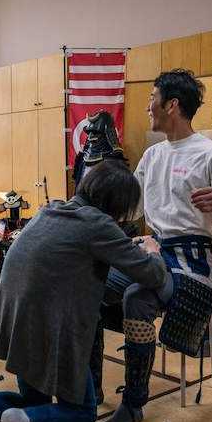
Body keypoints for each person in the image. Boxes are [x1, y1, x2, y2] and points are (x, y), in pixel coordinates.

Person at [0, 160, 166, 422]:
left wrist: (122, 245)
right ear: (116, 204)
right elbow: (152, 275)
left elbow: (75, 250)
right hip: (50, 327)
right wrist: (153, 249)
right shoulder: (99, 225)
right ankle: (23, 421)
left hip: (14, 318)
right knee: (82, 414)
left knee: (35, 398)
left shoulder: (53, 209)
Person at [96, 69, 212, 422]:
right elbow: (130, 210)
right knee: (92, 286)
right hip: (152, 250)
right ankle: (88, 389)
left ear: (172, 104)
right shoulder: (152, 155)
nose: (147, 105)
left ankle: (133, 404)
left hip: (193, 263)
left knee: (137, 297)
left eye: (152, 97)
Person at [71, 109, 134, 405]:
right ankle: (83, 381)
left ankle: (92, 384)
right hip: (82, 232)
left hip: (110, 232)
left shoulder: (116, 163)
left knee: (91, 299)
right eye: (89, 133)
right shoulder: (83, 158)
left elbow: (125, 209)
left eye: (97, 133)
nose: (92, 137)